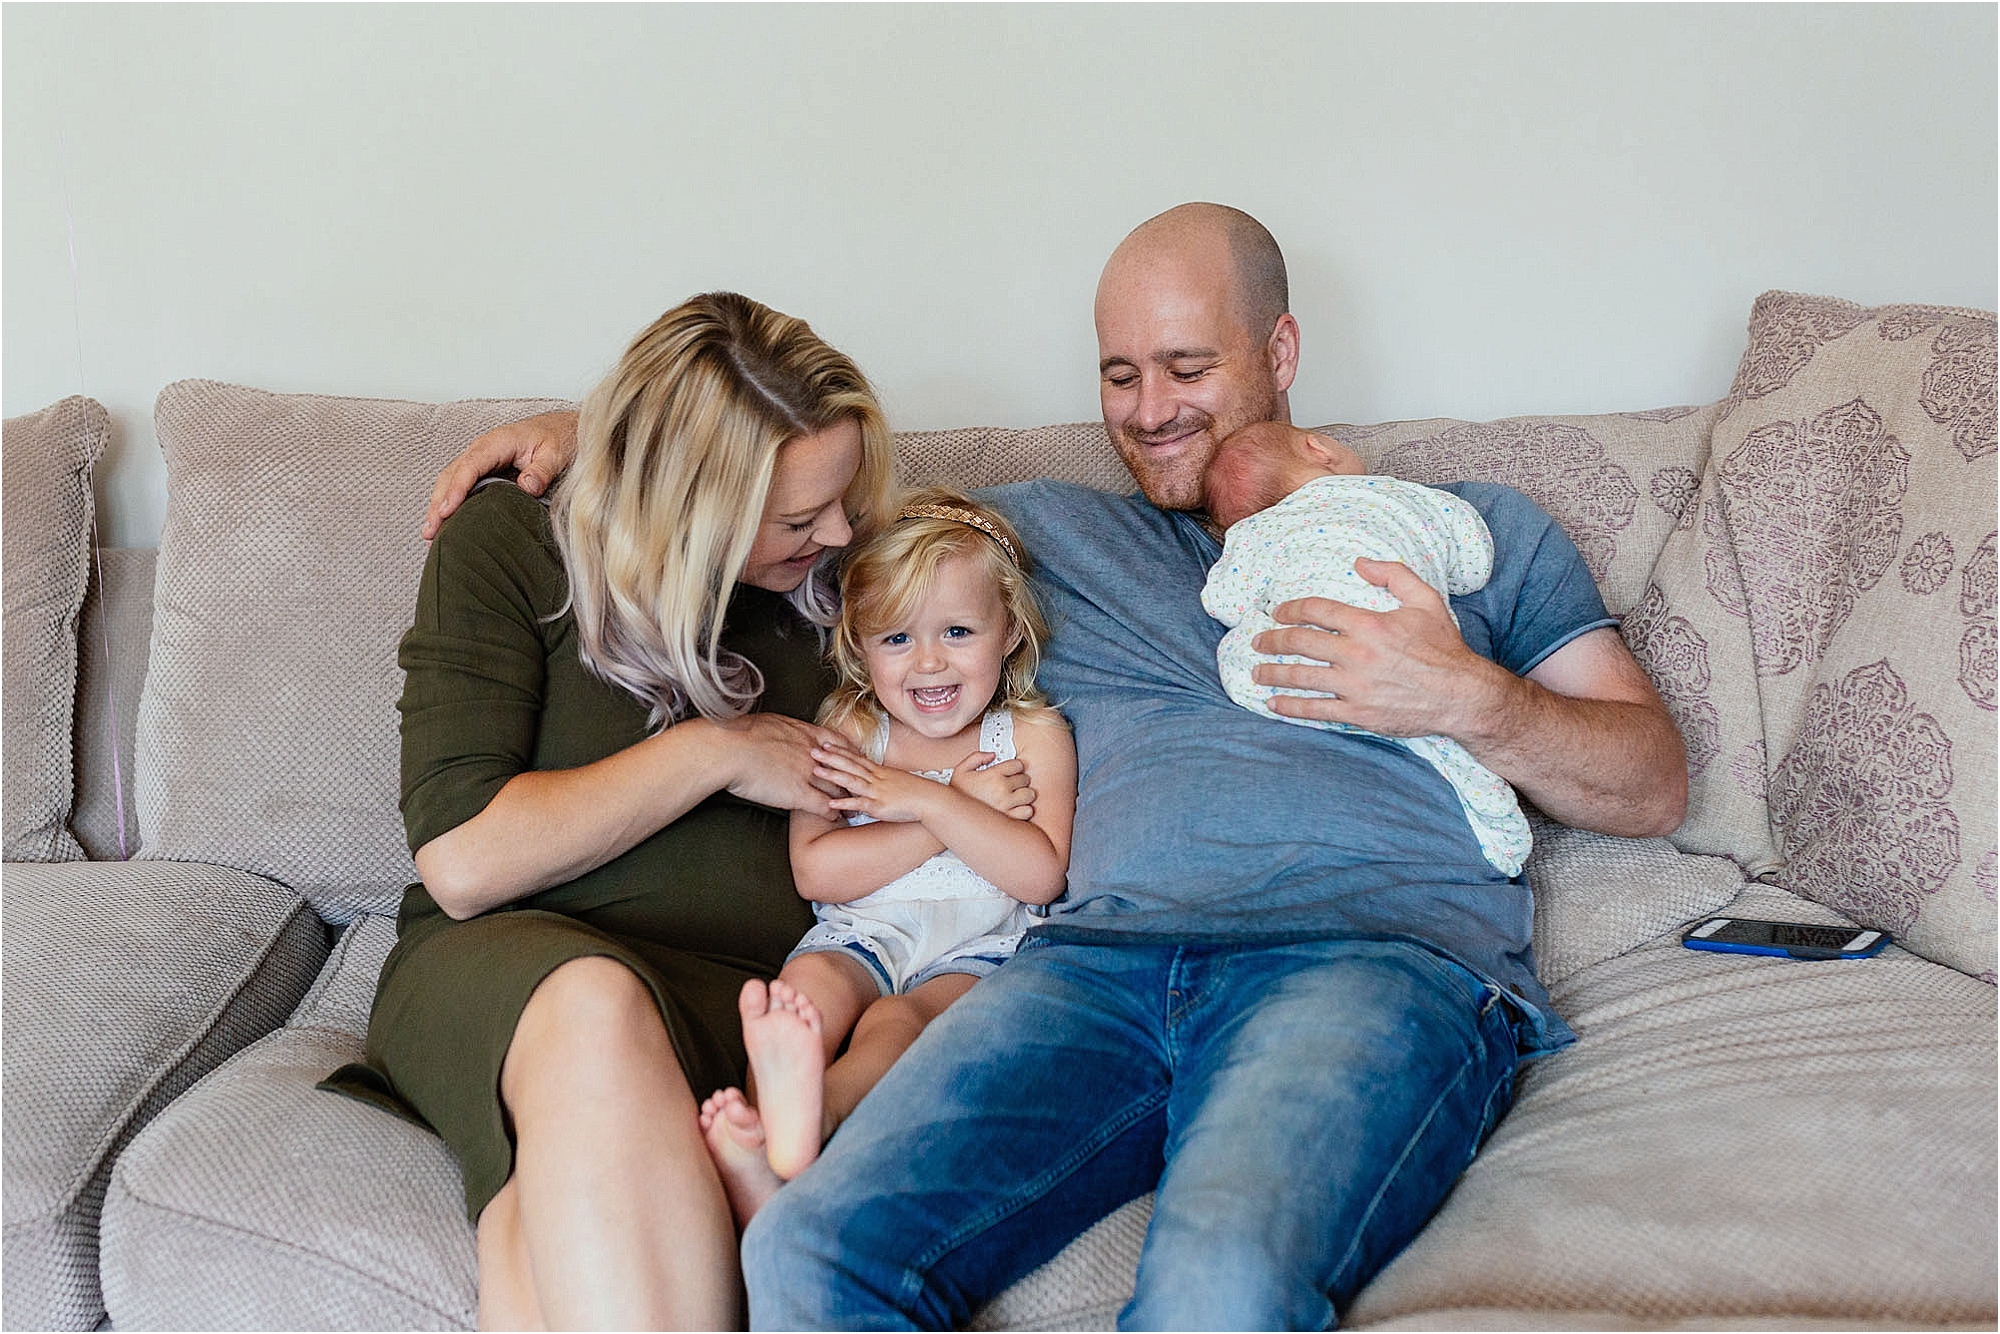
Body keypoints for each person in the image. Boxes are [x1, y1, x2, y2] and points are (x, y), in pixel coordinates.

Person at [425, 203, 1687, 1330]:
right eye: (1119, 374)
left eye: (1187, 367)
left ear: (1280, 351)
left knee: (1217, 1288)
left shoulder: (1462, 535)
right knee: (808, 1251)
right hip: (1085, 969)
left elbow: (1649, 781)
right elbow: (788, 498)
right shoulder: (1038, 539)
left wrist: (1465, 693)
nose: (1148, 409)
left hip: (1362, 959)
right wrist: (612, 436)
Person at [321, 290, 896, 1329]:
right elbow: (463, 859)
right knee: (595, 1004)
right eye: (797, 519)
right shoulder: (511, 543)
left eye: (842, 498)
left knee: (534, 1242)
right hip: (511, 972)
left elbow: (994, 590)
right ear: (690, 503)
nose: (840, 530)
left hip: (744, 1011)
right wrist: (714, 751)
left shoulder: (862, 585)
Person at [698, 485, 1077, 1228]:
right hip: (860, 931)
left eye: (958, 631)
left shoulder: (1030, 734)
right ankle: (768, 1136)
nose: (929, 663)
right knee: (802, 994)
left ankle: (816, 1118)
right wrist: (944, 808)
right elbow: (817, 871)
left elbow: (1039, 875)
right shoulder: (849, 728)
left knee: (897, 1022)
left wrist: (931, 800)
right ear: (859, 645)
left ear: (1008, 631)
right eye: (897, 638)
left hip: (975, 951)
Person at [1201, 419, 1532, 876]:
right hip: (1409, 639)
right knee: (1441, 739)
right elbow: (1475, 566)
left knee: (1240, 657)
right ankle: (1498, 825)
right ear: (1319, 449)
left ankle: (1343, 722)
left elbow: (1225, 602)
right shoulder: (1408, 497)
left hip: (1310, 651)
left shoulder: (1258, 532)